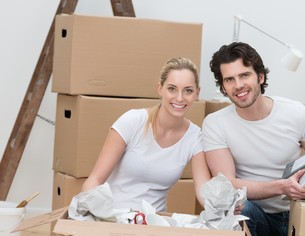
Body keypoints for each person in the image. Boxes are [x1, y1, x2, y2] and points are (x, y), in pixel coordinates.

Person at [202, 42, 305, 236]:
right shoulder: (215, 124)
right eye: (229, 79)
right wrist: (282, 187)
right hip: (254, 217)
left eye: (244, 75)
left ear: (260, 76)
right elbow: (228, 184)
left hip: (296, 215)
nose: (238, 85)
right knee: (241, 208)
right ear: (223, 87)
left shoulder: (295, 113)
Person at [81, 57, 211, 212]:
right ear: (160, 88)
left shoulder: (195, 137)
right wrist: (91, 218)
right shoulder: (133, 121)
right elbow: (94, 180)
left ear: (197, 93)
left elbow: (204, 192)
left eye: (188, 91)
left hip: (153, 224)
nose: (180, 98)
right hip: (112, 218)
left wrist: (224, 206)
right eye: (172, 89)